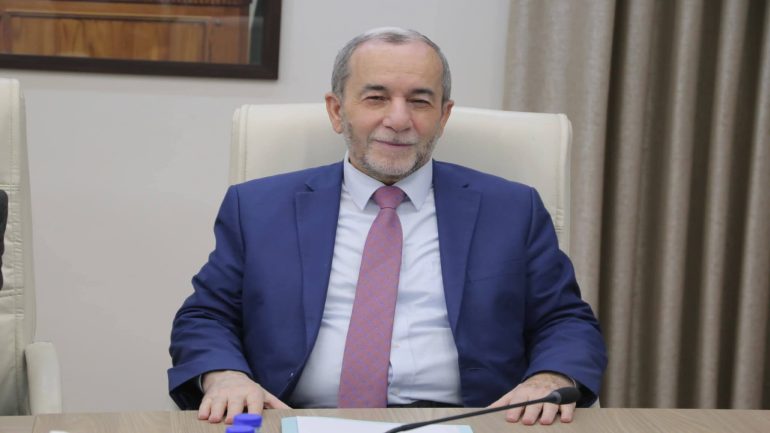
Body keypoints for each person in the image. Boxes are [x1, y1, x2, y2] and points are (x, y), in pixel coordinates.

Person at [168, 27, 607, 427]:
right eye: (376, 98)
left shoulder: (511, 209)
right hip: (296, 417)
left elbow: (564, 319)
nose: (398, 120)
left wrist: (549, 376)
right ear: (337, 111)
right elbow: (206, 315)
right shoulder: (258, 207)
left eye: (419, 101)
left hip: (469, 421)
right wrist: (225, 375)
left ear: (444, 115)